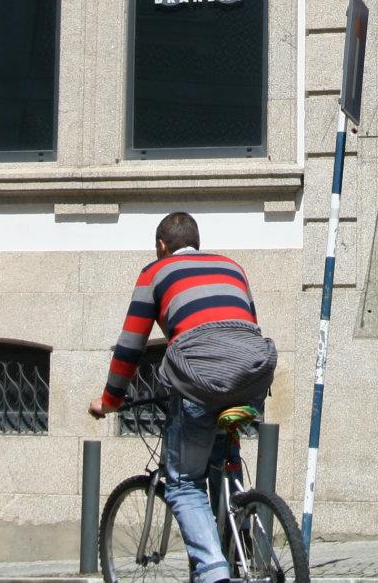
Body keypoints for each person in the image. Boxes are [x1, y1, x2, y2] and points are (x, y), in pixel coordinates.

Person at [89, 211, 277, 583]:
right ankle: (238, 536)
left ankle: (213, 571)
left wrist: (110, 400)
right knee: (222, 460)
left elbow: (130, 347)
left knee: (183, 482)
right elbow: (247, 324)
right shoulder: (231, 267)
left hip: (198, 377)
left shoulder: (154, 273)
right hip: (251, 372)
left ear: (162, 245)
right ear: (197, 242)